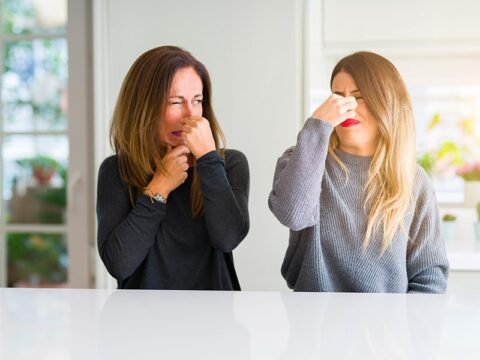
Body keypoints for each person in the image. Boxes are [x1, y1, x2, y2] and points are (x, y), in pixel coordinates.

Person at [268, 51, 449, 293]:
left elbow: (429, 277)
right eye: (337, 96)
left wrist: (407, 328)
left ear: (385, 102)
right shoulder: (301, 158)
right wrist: (317, 127)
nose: (346, 107)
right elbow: (293, 215)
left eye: (358, 96)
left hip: (388, 328)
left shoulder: (413, 180)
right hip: (311, 323)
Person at [97, 46, 249, 290]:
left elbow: (228, 238)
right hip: (139, 322)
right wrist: (159, 189)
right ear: (144, 107)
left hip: (215, 321)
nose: (190, 115)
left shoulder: (229, 164)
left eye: (197, 101)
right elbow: (119, 264)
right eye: (175, 102)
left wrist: (209, 160)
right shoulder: (116, 170)